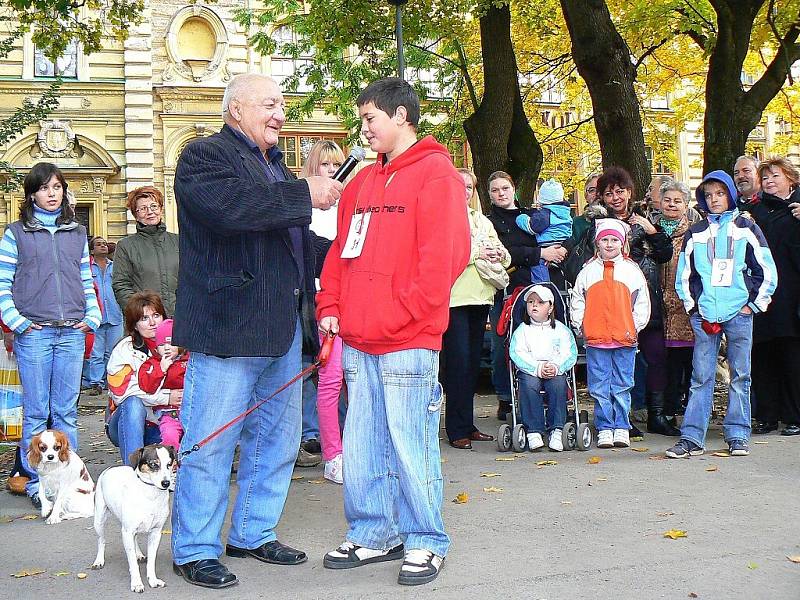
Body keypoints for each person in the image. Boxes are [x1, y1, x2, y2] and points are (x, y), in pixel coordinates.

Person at [170, 73, 341, 589]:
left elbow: (293, 247)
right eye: (270, 104)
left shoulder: (273, 166)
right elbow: (230, 212)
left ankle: (252, 532)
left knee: (277, 442)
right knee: (211, 441)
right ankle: (195, 548)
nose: (280, 114)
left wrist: (347, 255)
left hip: (282, 330)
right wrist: (302, 193)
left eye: (283, 104)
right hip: (228, 330)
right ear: (235, 109)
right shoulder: (204, 157)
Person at [316, 77, 469, 586]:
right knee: (362, 444)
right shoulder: (359, 183)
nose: (364, 129)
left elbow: (445, 257)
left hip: (409, 339)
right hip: (359, 339)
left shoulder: (436, 174)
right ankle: (373, 532)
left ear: (401, 115)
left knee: (411, 443)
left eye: (369, 119)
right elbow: (341, 252)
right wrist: (331, 305)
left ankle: (426, 540)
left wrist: (404, 313)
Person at [0, 162, 101, 508]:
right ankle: (34, 481)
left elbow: (86, 279)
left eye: (57, 188)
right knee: (36, 412)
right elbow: (3, 284)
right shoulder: (16, 233)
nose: (52, 194)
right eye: (44, 188)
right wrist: (18, 322)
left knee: (66, 412)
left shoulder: (77, 232)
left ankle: (69, 485)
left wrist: (93, 315)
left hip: (71, 331)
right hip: (35, 334)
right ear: (32, 194)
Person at [666, 170, 776, 459]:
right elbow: (685, 276)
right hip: (705, 315)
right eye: (709, 194)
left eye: (720, 193)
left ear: (730, 194)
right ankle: (692, 437)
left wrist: (752, 305)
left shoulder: (746, 228)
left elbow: (766, 270)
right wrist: (694, 307)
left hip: (738, 313)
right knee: (701, 377)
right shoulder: (696, 232)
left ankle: (738, 434)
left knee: (741, 375)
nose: (715, 199)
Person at [597, 167, 674, 437]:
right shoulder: (597, 222)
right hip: (613, 300)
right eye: (609, 194)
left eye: (620, 191)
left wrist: (652, 231)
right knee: (616, 361)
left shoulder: (646, 219)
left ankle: (657, 415)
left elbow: (665, 253)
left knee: (656, 356)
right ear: (602, 198)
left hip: (646, 296)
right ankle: (620, 418)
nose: (616, 198)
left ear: (629, 192)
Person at [486, 171, 567, 420]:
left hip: (540, 287)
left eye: (505, 188)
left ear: (513, 190)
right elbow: (505, 251)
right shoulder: (489, 222)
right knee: (504, 343)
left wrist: (561, 248)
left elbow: (561, 233)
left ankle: (544, 391)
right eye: (495, 190)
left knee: (543, 340)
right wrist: (540, 254)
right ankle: (506, 396)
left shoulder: (534, 215)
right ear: (489, 195)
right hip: (508, 289)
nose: (501, 193)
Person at [442, 168, 509, 450]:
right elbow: (445, 253)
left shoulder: (481, 220)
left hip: (481, 297)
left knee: (471, 367)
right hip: (455, 299)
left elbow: (502, 253)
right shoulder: (443, 217)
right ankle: (455, 428)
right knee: (456, 365)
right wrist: (477, 253)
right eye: (460, 186)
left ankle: (468, 425)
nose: (465, 192)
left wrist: (497, 253)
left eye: (469, 187)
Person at [570, 219, 650, 449]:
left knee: (623, 384)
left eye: (614, 239)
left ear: (622, 243)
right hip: (596, 339)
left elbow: (642, 302)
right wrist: (581, 325)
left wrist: (634, 327)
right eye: (604, 239)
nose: (609, 244)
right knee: (599, 384)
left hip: (624, 338)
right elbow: (577, 299)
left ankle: (621, 426)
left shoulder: (631, 271)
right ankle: (605, 427)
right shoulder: (587, 272)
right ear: (597, 242)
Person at [300, 139, 347, 481]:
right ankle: (332, 453)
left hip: (354, 302)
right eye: (326, 165)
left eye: (337, 165)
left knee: (354, 381)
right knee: (328, 380)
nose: (332, 171)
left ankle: (352, 446)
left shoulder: (350, 207)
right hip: (319, 303)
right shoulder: (306, 211)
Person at [746, 158, 800, 436]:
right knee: (763, 354)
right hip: (763, 293)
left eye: (774, 176)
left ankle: (795, 416)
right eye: (764, 177)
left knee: (792, 356)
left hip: (793, 292)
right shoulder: (756, 211)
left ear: (790, 178)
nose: (768, 181)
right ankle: (767, 415)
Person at [106, 292, 173, 462]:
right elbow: (123, 393)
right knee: (133, 403)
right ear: (134, 325)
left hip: (168, 421)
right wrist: (167, 397)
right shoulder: (124, 350)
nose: (152, 323)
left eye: (156, 316)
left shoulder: (177, 346)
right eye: (144, 318)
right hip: (129, 422)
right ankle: (132, 473)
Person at [509, 285, 577, 452]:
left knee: (558, 384)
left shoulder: (561, 330)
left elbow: (570, 353)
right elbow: (517, 353)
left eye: (540, 302)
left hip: (554, 369)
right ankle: (534, 430)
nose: (534, 305)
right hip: (531, 369)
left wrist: (556, 366)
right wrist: (537, 367)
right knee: (529, 385)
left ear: (551, 307)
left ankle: (557, 429)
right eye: (531, 302)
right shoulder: (522, 331)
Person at [658, 180, 700, 421]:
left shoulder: (694, 231)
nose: (672, 205)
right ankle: (668, 409)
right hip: (659, 305)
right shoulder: (651, 230)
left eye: (677, 201)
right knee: (666, 363)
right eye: (667, 200)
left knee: (689, 361)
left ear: (686, 205)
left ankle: (692, 410)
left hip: (686, 305)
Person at [112, 186, 179, 317]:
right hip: (144, 322)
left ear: (161, 209)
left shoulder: (178, 241)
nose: (150, 212)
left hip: (180, 320)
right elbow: (121, 285)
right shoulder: (126, 246)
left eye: (154, 206)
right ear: (136, 215)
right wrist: (141, 314)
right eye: (143, 209)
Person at [137, 319, 187, 450]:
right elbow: (147, 388)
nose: (166, 348)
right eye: (161, 344)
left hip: (192, 410)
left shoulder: (190, 361)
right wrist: (161, 370)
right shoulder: (152, 364)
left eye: (171, 343)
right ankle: (172, 464)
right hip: (169, 413)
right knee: (169, 438)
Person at [83, 236, 124, 394]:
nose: (103, 246)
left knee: (113, 352)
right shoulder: (87, 268)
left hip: (115, 314)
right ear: (92, 250)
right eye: (99, 244)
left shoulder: (116, 267)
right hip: (95, 317)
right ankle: (95, 383)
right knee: (96, 353)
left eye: (105, 244)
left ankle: (111, 382)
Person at [515, 178, 573, 283]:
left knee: (538, 264)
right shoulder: (565, 212)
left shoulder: (545, 214)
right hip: (561, 242)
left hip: (547, 243)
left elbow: (532, 228)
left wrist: (521, 218)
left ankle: (542, 285)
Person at [571, 174, 600, 243]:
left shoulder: (616, 219)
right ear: (586, 196)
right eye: (592, 190)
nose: (597, 194)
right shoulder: (576, 223)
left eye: (601, 189)